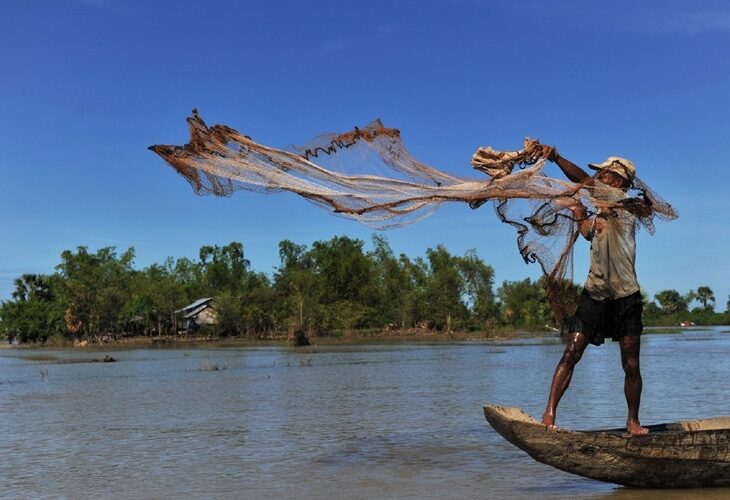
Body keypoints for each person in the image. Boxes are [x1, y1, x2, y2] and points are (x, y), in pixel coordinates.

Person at [537, 146, 649, 435]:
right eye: (599, 173)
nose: (599, 176)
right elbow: (589, 233)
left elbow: (585, 182)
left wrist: (556, 158)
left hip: (625, 296)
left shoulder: (625, 204)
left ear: (620, 181)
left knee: (631, 362)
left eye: (605, 174)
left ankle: (633, 421)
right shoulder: (602, 209)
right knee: (572, 352)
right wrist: (578, 214)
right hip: (594, 294)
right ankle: (548, 414)